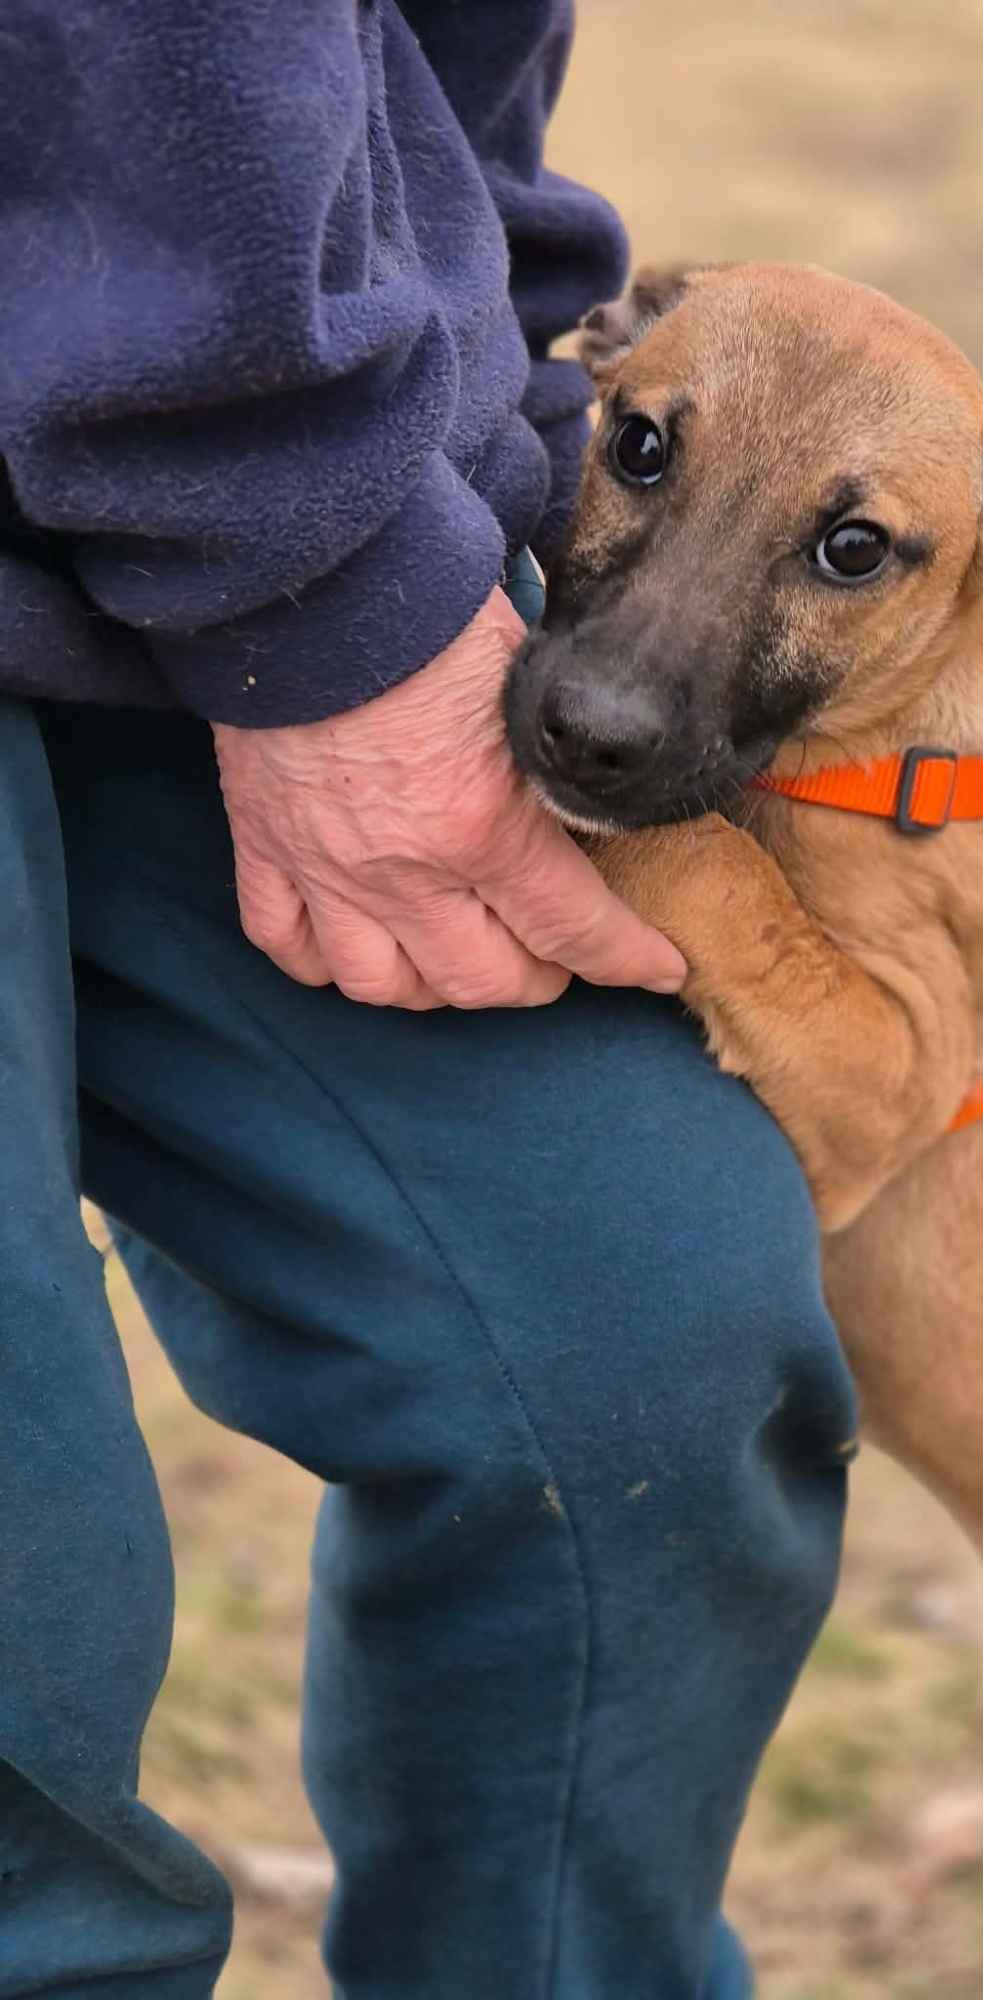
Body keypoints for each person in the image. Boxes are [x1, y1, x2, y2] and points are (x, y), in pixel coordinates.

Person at [0, 5, 856, 1995]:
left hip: (248, 483)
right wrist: (304, 570)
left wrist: (508, 373)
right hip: (254, 477)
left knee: (637, 1325)